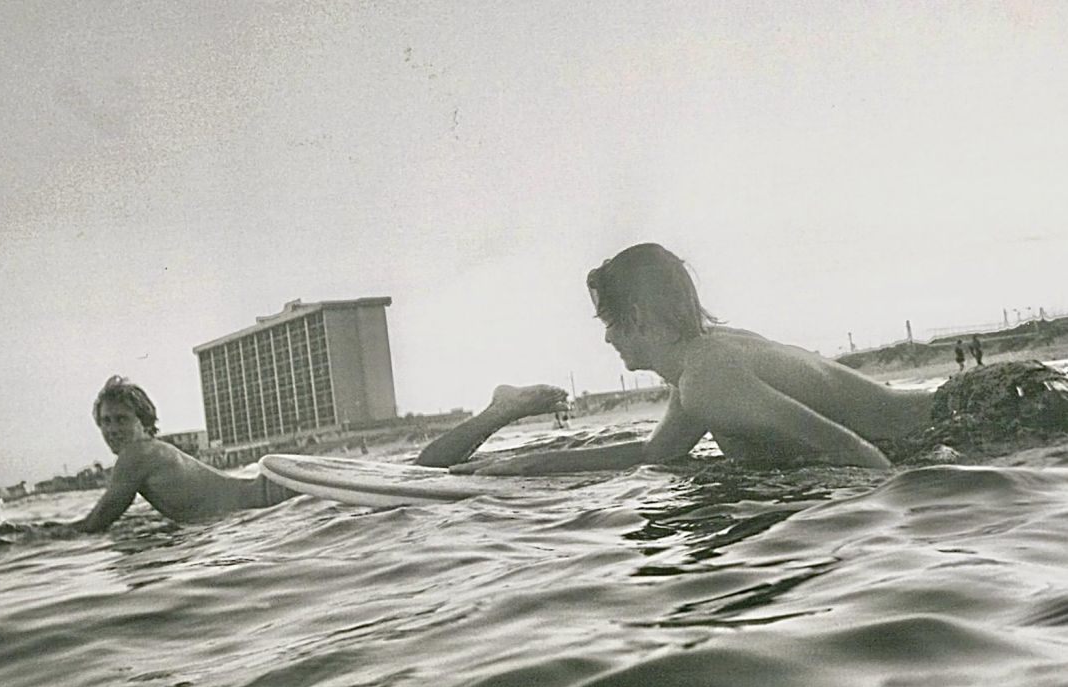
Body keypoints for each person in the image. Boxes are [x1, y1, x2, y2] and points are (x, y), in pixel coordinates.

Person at [450, 243, 1068, 475]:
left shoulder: (708, 378)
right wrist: (516, 465)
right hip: (992, 399)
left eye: (609, 323)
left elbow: (856, 452)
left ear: (637, 316)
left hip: (990, 415)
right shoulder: (706, 365)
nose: (608, 340)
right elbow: (651, 455)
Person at [73, 376, 568, 531]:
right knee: (418, 474)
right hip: (275, 497)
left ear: (143, 422)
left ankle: (500, 409)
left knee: (417, 474)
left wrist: (40, 536)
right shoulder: (150, 454)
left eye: (121, 419)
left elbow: (97, 523)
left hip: (276, 500)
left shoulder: (137, 455)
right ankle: (498, 416)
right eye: (106, 422)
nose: (113, 430)